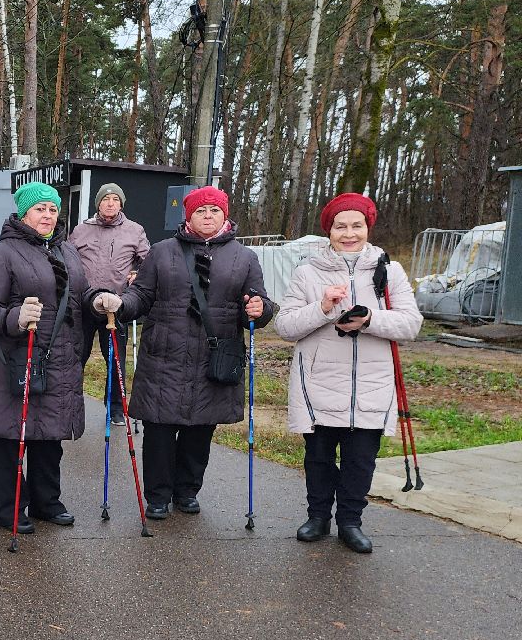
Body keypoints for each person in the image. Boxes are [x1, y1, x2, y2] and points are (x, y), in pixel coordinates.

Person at [92, 186, 274, 519]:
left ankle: (187, 491)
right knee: (160, 430)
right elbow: (141, 297)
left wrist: (259, 310)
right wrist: (120, 304)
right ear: (188, 216)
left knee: (200, 430)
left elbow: (260, 304)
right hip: (165, 355)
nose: (208, 216)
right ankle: (158, 496)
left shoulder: (244, 258)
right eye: (200, 210)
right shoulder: (162, 252)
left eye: (214, 210)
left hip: (215, 357)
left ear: (225, 215)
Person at [273, 193, 422, 553]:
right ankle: (318, 517)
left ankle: (350, 522)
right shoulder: (308, 272)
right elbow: (286, 326)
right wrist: (323, 307)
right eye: (341, 226)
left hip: (372, 384)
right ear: (330, 231)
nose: (349, 233)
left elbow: (411, 324)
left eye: (357, 225)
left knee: (360, 460)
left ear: (368, 228)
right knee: (319, 456)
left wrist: (370, 319)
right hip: (319, 381)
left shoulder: (390, 270)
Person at [0, 182, 90, 531]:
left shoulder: (68, 252)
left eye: (53, 209)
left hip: (59, 359)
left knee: (49, 436)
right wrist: (15, 318)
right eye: (40, 209)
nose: (48, 215)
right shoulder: (1, 254)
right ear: (24, 213)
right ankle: (10, 509)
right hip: (15, 360)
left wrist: (100, 302)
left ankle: (46, 502)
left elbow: (78, 299)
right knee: (12, 438)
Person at [68, 182, 150, 424]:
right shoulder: (81, 230)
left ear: (121, 204)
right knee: (75, 356)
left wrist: (138, 273)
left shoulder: (134, 230)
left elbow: (149, 262)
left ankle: (114, 406)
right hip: (84, 302)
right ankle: (71, 401)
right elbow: (68, 261)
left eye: (115, 199)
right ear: (98, 204)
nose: (110, 203)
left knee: (115, 358)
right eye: (106, 199)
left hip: (116, 304)